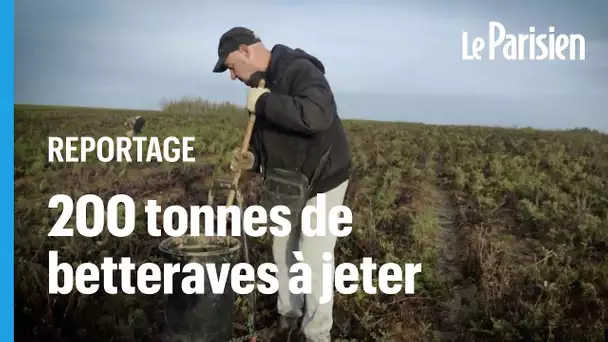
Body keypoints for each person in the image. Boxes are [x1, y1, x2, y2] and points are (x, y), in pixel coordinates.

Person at [212, 27, 352, 342]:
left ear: (246, 51)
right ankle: (288, 319)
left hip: (323, 178)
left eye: (232, 66)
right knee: (282, 250)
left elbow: (317, 116)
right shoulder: (261, 85)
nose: (232, 76)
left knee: (313, 255)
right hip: (288, 181)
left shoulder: (300, 69)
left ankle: (316, 334)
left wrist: (264, 104)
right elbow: (272, 137)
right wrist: (255, 160)